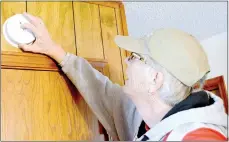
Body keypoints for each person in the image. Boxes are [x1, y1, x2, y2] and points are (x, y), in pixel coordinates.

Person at [19, 12, 228, 141]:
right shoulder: (138, 114)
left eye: (135, 57)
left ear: (155, 79)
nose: (127, 62)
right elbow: (102, 91)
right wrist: (54, 50)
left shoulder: (198, 137)